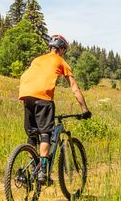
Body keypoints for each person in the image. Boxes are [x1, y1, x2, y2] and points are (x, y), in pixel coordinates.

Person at [18, 34, 91, 183]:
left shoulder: (37, 59)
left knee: (33, 134)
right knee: (46, 133)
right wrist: (85, 109)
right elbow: (75, 88)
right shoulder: (61, 61)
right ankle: (43, 172)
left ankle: (33, 169)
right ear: (62, 49)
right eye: (64, 50)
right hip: (43, 98)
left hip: (26, 96)